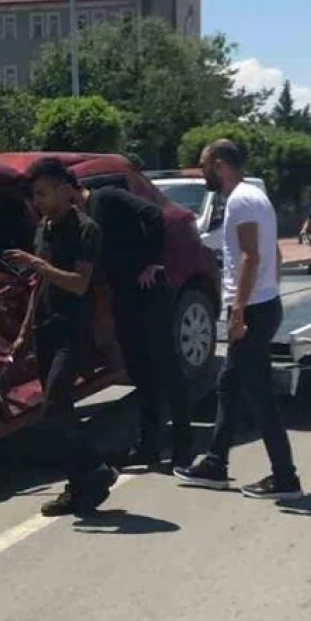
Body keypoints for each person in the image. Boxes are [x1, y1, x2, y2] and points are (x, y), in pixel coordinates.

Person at [174, 139, 303, 500]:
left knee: (259, 394)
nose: (201, 173)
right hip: (262, 303)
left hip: (252, 310)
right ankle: (216, 463)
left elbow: (250, 257)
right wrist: (268, 293)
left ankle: (285, 477)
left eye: (203, 165)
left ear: (218, 164)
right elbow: (273, 253)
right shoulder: (254, 196)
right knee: (229, 386)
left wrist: (241, 310)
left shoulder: (241, 200)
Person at [6, 158, 118, 517]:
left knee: (55, 403)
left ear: (64, 190)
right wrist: (24, 334)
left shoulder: (86, 230)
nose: (38, 201)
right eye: (34, 195)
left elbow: (78, 283)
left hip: (74, 330)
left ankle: (96, 468)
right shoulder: (44, 229)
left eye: (42, 193)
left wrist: (36, 264)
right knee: (56, 412)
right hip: (45, 329)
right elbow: (39, 287)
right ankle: (81, 485)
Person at [77, 177, 193, 471]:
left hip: (149, 292)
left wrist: (154, 261)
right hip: (124, 298)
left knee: (167, 369)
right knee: (141, 374)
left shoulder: (106, 198)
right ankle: (148, 446)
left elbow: (154, 214)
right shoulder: (82, 219)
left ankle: (183, 446)